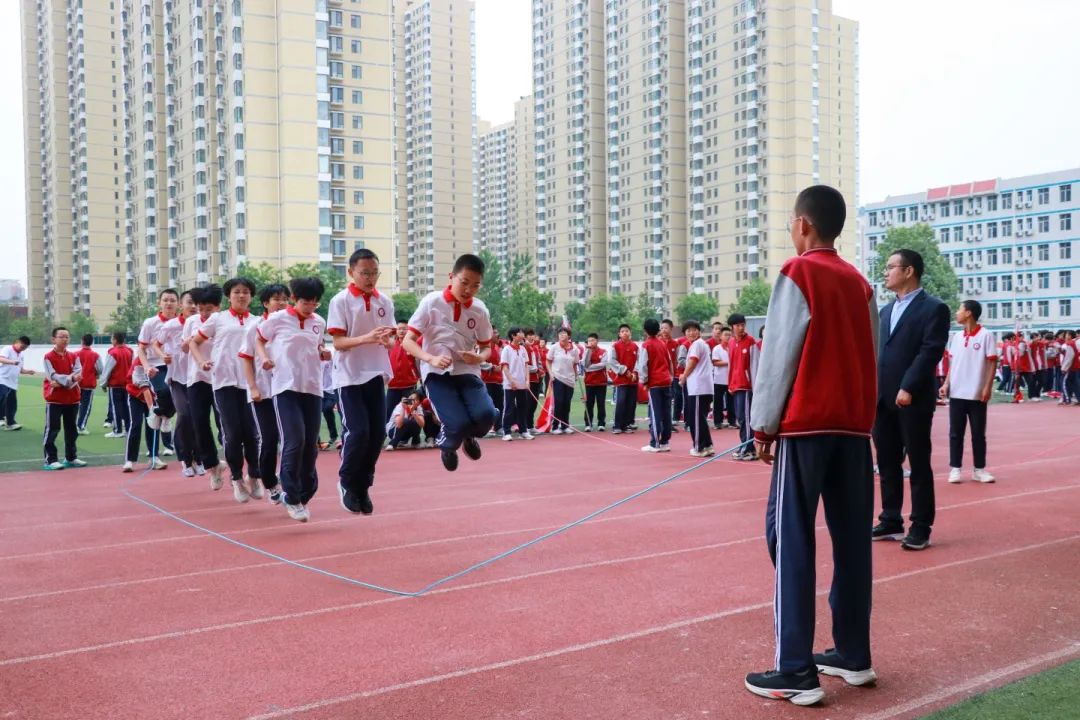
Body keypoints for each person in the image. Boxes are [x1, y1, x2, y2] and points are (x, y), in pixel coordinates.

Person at [743, 185, 879, 707]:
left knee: (790, 537)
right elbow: (872, 357)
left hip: (806, 428)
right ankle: (853, 652)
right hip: (852, 429)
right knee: (851, 544)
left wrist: (763, 425)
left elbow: (778, 354)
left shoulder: (799, 273)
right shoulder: (862, 285)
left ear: (803, 224)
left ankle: (795, 668)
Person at [873, 248, 950, 551]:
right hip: (883, 398)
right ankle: (891, 517)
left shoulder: (934, 308)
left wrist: (908, 386)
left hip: (912, 397)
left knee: (918, 463)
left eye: (890, 267)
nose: (885, 272)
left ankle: (921, 525)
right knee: (887, 461)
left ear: (908, 271)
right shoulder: (884, 311)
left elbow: (930, 350)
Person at [403, 253, 500, 471]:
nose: (468, 290)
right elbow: (407, 342)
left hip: (467, 371)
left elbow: (486, 347)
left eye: (475, 286)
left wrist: (479, 357)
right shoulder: (432, 302)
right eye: (464, 282)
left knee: (487, 416)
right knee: (457, 423)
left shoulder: (480, 310)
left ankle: (467, 438)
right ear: (451, 277)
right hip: (437, 374)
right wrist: (431, 358)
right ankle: (448, 446)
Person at [326, 248, 396, 513]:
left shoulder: (384, 302)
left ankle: (362, 485)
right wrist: (367, 338)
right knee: (358, 432)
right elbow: (339, 342)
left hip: (375, 373)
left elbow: (388, 339)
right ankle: (346, 482)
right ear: (351, 272)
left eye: (374, 273)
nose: (370, 278)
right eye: (364, 273)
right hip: (349, 376)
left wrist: (388, 339)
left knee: (378, 433)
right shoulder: (341, 301)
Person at [253, 277, 328, 522]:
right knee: (294, 440)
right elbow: (258, 340)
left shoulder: (319, 322)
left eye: (314, 302)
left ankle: (305, 492)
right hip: (286, 387)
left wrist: (323, 352)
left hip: (313, 388)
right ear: (295, 299)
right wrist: (264, 357)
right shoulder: (277, 319)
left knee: (309, 446)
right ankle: (292, 496)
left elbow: (316, 347)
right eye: (305, 301)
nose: (310, 306)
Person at [190, 277, 263, 503]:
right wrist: (202, 362)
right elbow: (193, 342)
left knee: (252, 434)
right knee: (232, 433)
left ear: (251, 296)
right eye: (236, 292)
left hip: (251, 383)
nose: (241, 296)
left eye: (245, 292)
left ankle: (254, 476)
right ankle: (237, 479)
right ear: (229, 296)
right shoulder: (217, 319)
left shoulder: (258, 321)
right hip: (224, 382)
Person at [239, 283, 291, 502]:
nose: (281, 303)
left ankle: (289, 480)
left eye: (284, 299)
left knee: (290, 438)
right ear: (265, 303)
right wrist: (252, 387)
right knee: (270, 438)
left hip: (287, 390)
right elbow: (246, 358)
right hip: (264, 392)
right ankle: (270, 482)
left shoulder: (290, 325)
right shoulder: (255, 326)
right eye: (276, 299)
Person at [941, 300, 998, 484]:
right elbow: (953, 364)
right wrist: (946, 384)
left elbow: (991, 362)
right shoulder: (956, 337)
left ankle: (979, 469)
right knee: (955, 433)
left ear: (969, 313)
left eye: (959, 309)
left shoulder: (986, 335)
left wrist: (987, 387)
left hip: (976, 393)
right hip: (957, 392)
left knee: (978, 433)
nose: (957, 312)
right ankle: (955, 468)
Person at [183, 285, 226, 488]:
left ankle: (234, 466)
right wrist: (189, 342)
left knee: (224, 424)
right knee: (199, 423)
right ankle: (213, 465)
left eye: (208, 309)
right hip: (197, 377)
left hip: (221, 378)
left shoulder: (224, 322)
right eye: (200, 308)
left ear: (218, 307)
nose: (204, 313)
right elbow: (185, 347)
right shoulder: (191, 322)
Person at [154, 291, 199, 476]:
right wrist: (162, 355)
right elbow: (156, 344)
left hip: (198, 378)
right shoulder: (171, 326)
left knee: (198, 418)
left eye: (197, 302)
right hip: (178, 378)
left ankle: (198, 458)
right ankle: (185, 459)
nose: (194, 306)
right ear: (181, 304)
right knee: (184, 414)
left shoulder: (204, 324)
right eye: (190, 302)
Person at [137, 289, 179, 455]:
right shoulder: (150, 323)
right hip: (157, 365)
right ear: (159, 303)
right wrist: (147, 366)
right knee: (164, 391)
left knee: (182, 398)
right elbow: (141, 348)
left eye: (172, 300)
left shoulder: (183, 323)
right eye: (165, 300)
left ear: (178, 304)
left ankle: (164, 415)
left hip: (178, 366)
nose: (169, 303)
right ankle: (160, 413)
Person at [41, 327, 86, 470]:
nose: (65, 339)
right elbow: (52, 376)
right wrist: (70, 378)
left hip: (72, 398)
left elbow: (78, 374)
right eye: (61, 336)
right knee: (52, 429)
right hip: (54, 399)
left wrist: (66, 381)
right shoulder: (48, 357)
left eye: (67, 336)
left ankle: (71, 457)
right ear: (53, 339)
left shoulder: (74, 356)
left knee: (72, 430)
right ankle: (50, 459)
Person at [121, 361, 167, 472]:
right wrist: (152, 409)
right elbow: (145, 389)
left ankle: (154, 457)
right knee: (136, 424)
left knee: (153, 425)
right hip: (136, 395)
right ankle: (130, 460)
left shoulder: (160, 361)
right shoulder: (138, 362)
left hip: (153, 396)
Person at [637, 318, 673, 453]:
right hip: (666, 381)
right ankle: (665, 441)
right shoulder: (663, 344)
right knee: (666, 412)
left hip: (655, 383)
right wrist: (669, 376)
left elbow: (643, 366)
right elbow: (669, 361)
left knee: (655, 413)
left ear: (645, 330)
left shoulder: (646, 345)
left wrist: (644, 382)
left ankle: (655, 442)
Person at [728, 313, 760, 460]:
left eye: (742, 325)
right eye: (737, 325)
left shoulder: (751, 342)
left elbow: (755, 366)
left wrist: (755, 387)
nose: (741, 328)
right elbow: (731, 365)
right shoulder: (731, 342)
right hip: (736, 386)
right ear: (732, 327)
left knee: (746, 418)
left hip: (747, 386)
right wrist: (730, 383)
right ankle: (748, 447)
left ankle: (747, 448)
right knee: (741, 418)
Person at [680, 320, 714, 457]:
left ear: (699, 331)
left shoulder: (696, 345)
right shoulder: (702, 344)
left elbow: (693, 362)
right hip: (703, 386)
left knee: (696, 419)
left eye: (694, 330)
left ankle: (699, 447)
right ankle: (707, 445)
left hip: (698, 387)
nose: (691, 333)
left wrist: (684, 376)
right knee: (700, 418)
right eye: (688, 331)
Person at [500, 326, 533, 441]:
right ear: (513, 336)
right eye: (520, 332)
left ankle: (523, 430)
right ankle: (506, 431)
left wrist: (527, 380)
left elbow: (526, 366)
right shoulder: (507, 350)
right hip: (510, 385)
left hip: (522, 384)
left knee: (523, 407)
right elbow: (504, 367)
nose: (522, 333)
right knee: (509, 407)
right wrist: (511, 381)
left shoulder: (523, 349)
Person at [546, 327, 581, 434]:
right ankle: (555, 426)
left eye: (564, 333)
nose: (561, 335)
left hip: (570, 379)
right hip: (558, 378)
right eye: (560, 333)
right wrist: (551, 374)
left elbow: (575, 364)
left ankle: (565, 425)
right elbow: (548, 361)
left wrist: (576, 375)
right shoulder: (554, 347)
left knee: (567, 403)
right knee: (559, 402)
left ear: (569, 336)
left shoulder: (574, 349)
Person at [99, 331, 133, 438]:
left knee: (116, 407)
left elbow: (107, 369)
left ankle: (117, 430)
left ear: (115, 340)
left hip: (115, 385)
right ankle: (128, 429)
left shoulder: (113, 352)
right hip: (127, 384)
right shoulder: (130, 351)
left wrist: (103, 384)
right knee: (127, 408)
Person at [607, 324, 639, 434]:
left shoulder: (635, 346)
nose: (625, 333)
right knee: (621, 402)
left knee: (631, 403)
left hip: (633, 380)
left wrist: (634, 372)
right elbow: (612, 361)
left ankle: (626, 425)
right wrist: (625, 371)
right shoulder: (615, 346)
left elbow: (638, 361)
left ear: (630, 333)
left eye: (627, 331)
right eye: (622, 331)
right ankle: (617, 425)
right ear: (619, 334)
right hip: (621, 379)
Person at [386, 320, 420, 420]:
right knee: (389, 411)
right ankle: (387, 432)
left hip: (408, 386)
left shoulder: (412, 344)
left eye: (404, 329)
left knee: (410, 410)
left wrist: (417, 376)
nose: (401, 331)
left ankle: (415, 434)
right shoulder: (390, 344)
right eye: (399, 329)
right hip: (393, 386)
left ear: (408, 330)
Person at [0, 336, 34, 431]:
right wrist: (12, 362)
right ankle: (0, 417)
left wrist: (28, 371)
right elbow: (1, 359)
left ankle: (10, 423)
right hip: (2, 379)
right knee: (2, 397)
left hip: (12, 382)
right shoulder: (7, 349)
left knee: (12, 403)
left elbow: (20, 369)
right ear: (17, 342)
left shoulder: (21, 354)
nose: (23, 349)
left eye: (25, 348)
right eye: (22, 346)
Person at [74, 335, 102, 435]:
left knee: (75, 405)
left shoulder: (75, 354)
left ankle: (73, 426)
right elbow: (100, 369)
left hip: (76, 384)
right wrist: (96, 375)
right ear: (92, 342)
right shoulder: (95, 355)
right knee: (85, 407)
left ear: (82, 341)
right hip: (88, 384)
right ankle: (80, 426)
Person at [480, 327, 504, 436]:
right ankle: (487, 428)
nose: (497, 334)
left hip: (498, 381)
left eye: (497, 332)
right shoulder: (483, 347)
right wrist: (493, 367)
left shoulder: (498, 348)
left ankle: (498, 427)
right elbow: (479, 362)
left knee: (499, 404)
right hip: (487, 381)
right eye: (494, 332)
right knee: (488, 406)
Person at [582, 333, 608, 431]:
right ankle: (588, 423)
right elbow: (585, 364)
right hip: (589, 382)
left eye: (593, 340)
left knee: (601, 403)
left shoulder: (603, 351)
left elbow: (603, 364)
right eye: (589, 341)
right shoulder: (586, 351)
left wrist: (590, 367)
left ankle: (601, 423)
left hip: (601, 381)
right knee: (589, 403)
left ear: (597, 341)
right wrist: (588, 351)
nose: (591, 342)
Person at [711, 326, 733, 430]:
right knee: (718, 402)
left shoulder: (733, 347)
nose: (728, 337)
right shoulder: (717, 348)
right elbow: (715, 362)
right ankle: (718, 422)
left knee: (731, 402)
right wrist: (729, 363)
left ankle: (732, 421)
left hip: (731, 379)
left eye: (729, 335)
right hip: (719, 379)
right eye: (725, 335)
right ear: (720, 336)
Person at [318, 355, 341, 450]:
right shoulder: (312, 358)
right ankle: (317, 441)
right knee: (314, 414)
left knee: (327, 408)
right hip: (317, 390)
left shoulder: (329, 359)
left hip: (330, 390)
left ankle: (335, 436)